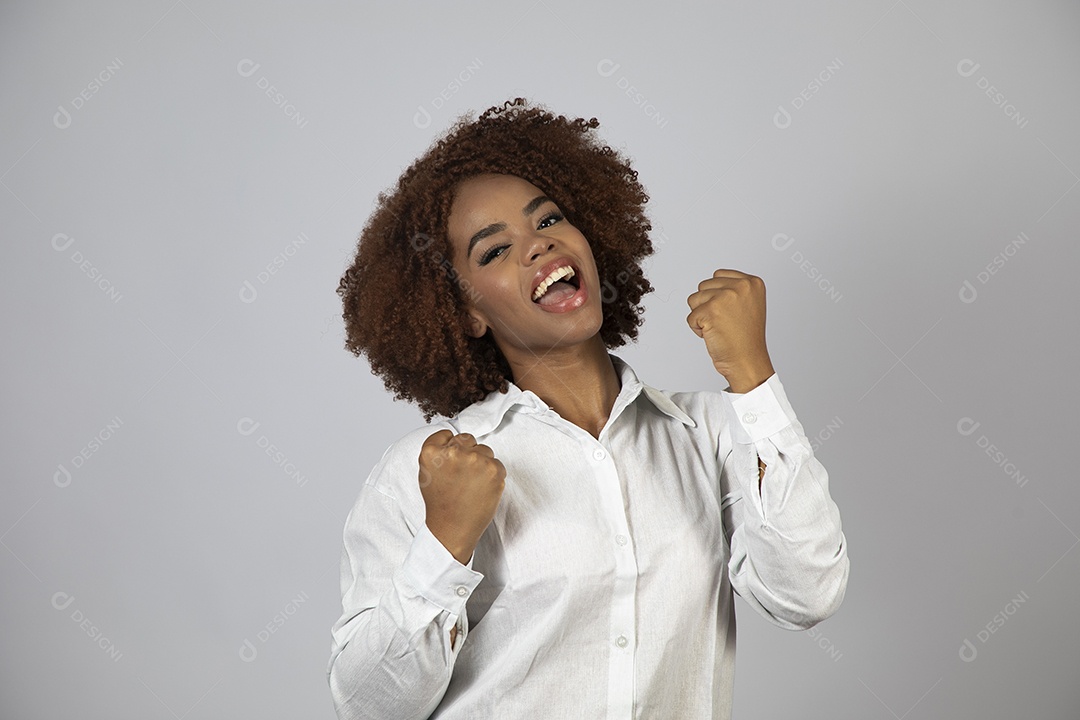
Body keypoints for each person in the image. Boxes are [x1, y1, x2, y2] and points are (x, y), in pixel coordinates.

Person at [327, 97, 849, 719]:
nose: (537, 247)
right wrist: (445, 542)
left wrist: (753, 378)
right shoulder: (426, 472)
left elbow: (807, 594)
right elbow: (368, 706)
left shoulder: (708, 433)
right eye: (493, 251)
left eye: (547, 219)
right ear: (463, 312)